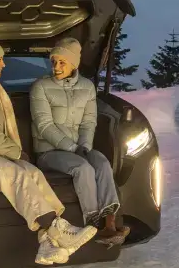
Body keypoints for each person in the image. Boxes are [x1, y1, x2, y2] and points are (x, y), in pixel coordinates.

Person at [0, 37, 98, 265]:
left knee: (33, 172)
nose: (3, 65)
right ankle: (57, 228)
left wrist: (15, 153)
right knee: (15, 174)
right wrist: (14, 151)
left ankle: (47, 243)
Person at [30, 37, 131, 246]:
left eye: (62, 62)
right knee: (83, 168)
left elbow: (88, 122)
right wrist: (73, 148)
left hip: (79, 148)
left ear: (73, 64)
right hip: (49, 151)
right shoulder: (41, 87)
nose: (56, 67)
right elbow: (45, 126)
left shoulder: (87, 87)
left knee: (102, 162)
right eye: (54, 62)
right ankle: (91, 223)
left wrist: (84, 146)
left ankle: (110, 222)